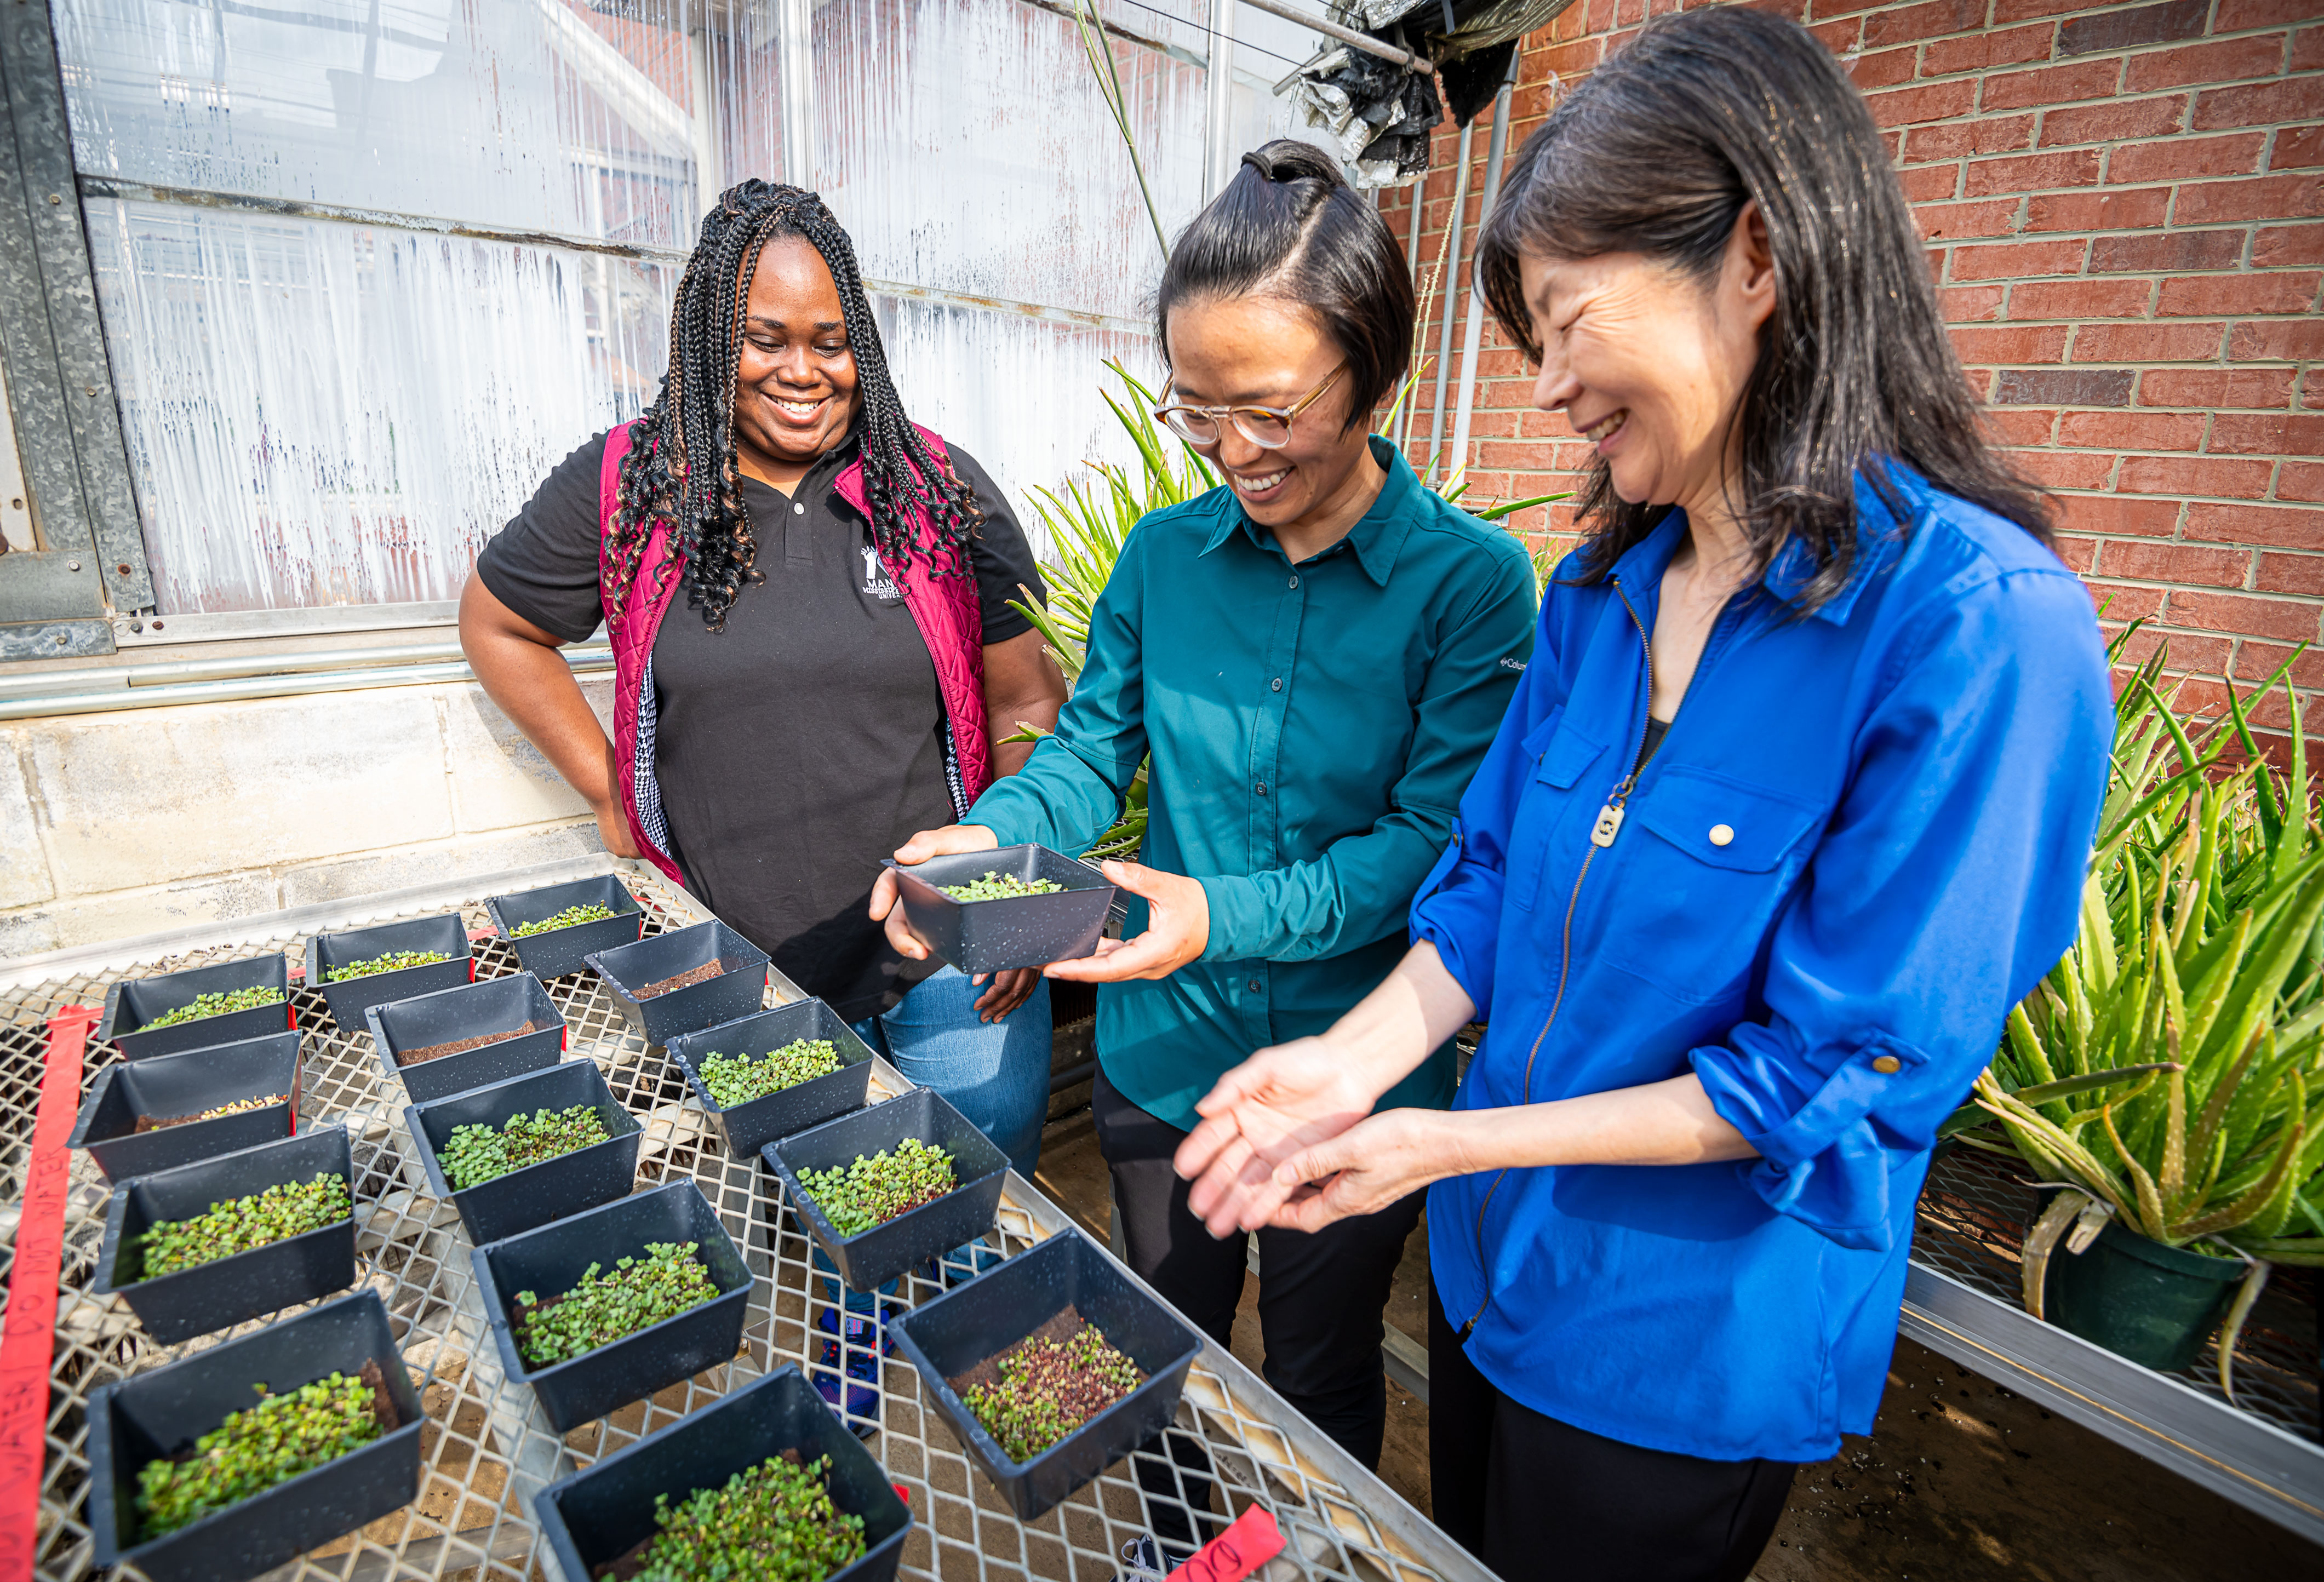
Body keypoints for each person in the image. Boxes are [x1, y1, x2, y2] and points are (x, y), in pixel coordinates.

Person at [1172, 12, 2115, 1581]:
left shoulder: (1973, 633)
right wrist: (1349, 1067)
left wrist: (1440, 1149)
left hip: (1677, 1356)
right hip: (1487, 1281)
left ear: (1754, 255)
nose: (1545, 387)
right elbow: (1478, 891)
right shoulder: (1600, 597)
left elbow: (1823, 1077)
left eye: (1565, 320)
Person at [869, 141, 1538, 1496]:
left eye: (1274, 410)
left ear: (1376, 371)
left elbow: (1429, 847)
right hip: (1161, 1060)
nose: (1236, 450)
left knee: (1321, 1374)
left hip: (1348, 1078)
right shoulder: (1162, 559)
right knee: (1160, 1349)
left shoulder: (1473, 587)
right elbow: (1087, 753)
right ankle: (1179, 1536)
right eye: (1198, 411)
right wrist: (996, 840)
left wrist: (1214, 912)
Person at [460, 179, 1067, 1175]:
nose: (803, 371)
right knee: (817, 1247)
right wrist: (607, 790)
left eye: (830, 342)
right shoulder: (631, 485)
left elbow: (1028, 700)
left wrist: (1009, 903)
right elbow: (498, 622)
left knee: (978, 1219)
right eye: (765, 337)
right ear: (708, 338)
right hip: (741, 970)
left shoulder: (935, 488)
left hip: (950, 958)